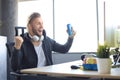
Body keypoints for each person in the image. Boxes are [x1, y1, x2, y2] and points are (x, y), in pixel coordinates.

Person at [11, 12, 76, 72]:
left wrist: (71, 38)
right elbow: (14, 67)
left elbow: (64, 49)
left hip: (46, 76)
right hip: (30, 77)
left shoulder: (47, 40)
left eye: (42, 23)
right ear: (30, 26)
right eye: (38, 23)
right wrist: (17, 48)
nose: (42, 26)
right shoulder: (21, 43)